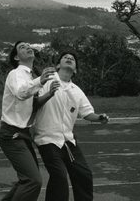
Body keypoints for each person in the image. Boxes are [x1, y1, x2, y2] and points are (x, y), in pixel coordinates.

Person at [33, 51, 109, 201]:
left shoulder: (77, 91)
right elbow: (32, 103)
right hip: (47, 139)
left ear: (75, 70)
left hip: (68, 141)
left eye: (72, 59)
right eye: (65, 58)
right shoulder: (45, 81)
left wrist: (100, 118)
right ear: (58, 65)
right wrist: (48, 94)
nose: (69, 59)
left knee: (84, 174)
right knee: (59, 176)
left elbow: (87, 113)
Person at [0, 41, 59, 201]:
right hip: (11, 134)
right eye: (22, 47)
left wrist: (49, 94)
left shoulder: (30, 75)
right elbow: (20, 93)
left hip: (23, 134)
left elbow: (32, 105)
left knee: (26, 180)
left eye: (28, 45)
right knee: (33, 181)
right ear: (17, 57)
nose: (27, 47)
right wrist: (41, 81)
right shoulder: (16, 74)